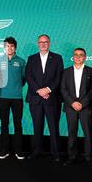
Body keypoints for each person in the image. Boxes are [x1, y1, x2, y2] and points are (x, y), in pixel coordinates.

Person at [25, 34, 64, 162]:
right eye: (41, 42)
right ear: (38, 43)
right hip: (35, 99)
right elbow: (29, 76)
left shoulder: (57, 58)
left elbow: (59, 77)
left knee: (53, 126)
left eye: (46, 42)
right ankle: (37, 151)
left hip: (52, 98)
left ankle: (56, 153)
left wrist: (47, 90)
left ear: (49, 43)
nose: (43, 44)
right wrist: (39, 90)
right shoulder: (31, 59)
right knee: (37, 126)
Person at [60, 48, 92, 168]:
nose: (78, 57)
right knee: (72, 133)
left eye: (81, 55)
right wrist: (72, 103)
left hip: (87, 107)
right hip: (71, 107)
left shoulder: (91, 71)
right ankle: (72, 157)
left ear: (85, 57)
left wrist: (83, 103)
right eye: (76, 55)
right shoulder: (66, 72)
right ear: (73, 57)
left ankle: (89, 158)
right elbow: (63, 89)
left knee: (88, 134)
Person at [0, 37, 26, 160]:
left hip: (17, 97)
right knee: (4, 124)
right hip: (3, 97)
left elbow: (24, 79)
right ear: (4, 47)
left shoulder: (21, 61)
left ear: (15, 47)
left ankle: (18, 151)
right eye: (7, 46)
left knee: (17, 124)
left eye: (12, 46)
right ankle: (4, 150)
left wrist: (16, 86)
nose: (9, 48)